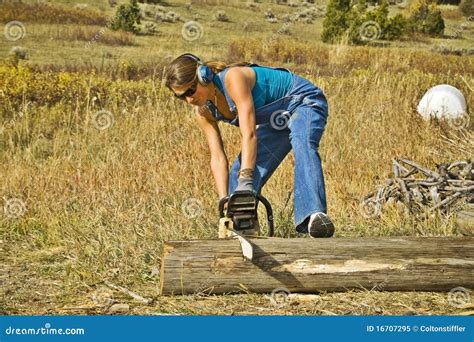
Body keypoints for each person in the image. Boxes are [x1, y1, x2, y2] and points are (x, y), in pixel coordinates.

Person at [164, 53, 334, 238]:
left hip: (303, 101)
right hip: (276, 120)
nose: (189, 100)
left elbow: (249, 134)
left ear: (203, 75)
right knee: (237, 177)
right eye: (182, 97)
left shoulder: (233, 78)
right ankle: (246, 235)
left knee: (303, 142)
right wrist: (225, 200)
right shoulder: (204, 113)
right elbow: (217, 157)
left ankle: (315, 218)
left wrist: (247, 180)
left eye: (190, 91)